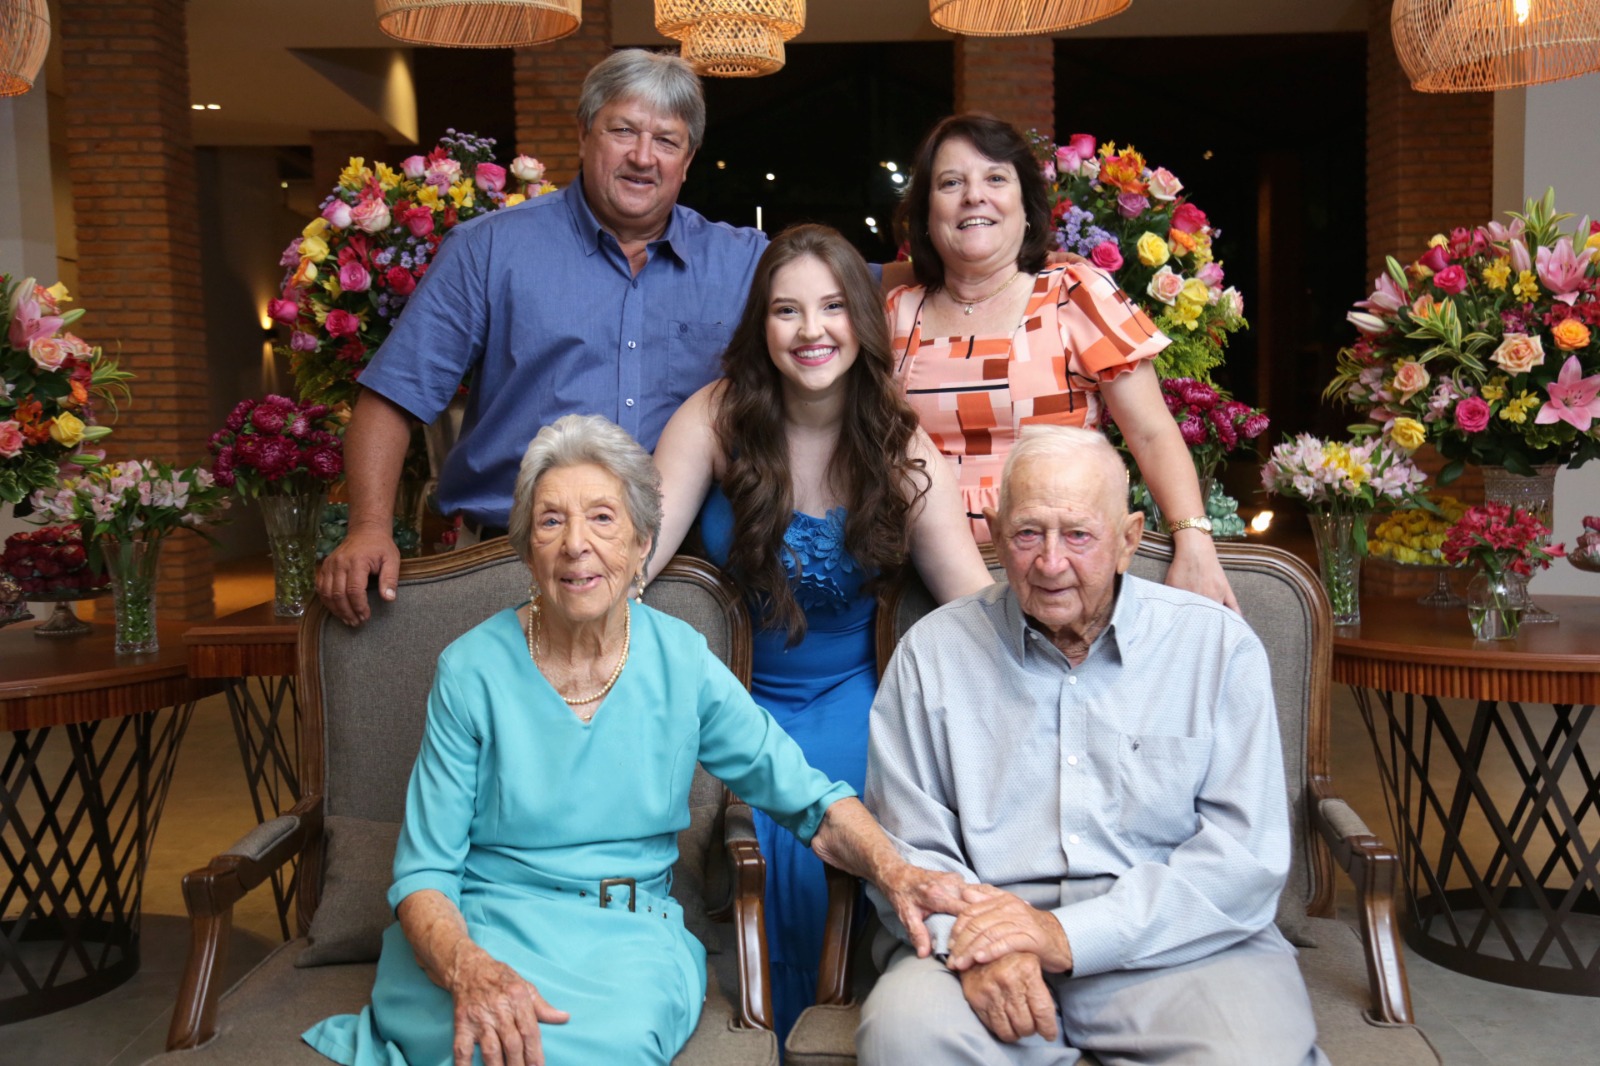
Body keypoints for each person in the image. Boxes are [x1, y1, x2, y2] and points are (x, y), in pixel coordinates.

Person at [302, 414, 965, 1066]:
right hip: (482, 928)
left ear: (643, 542)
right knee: (475, 1039)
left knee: (583, 1047)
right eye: (551, 520)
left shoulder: (683, 661)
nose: (575, 545)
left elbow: (809, 803)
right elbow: (424, 873)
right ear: (527, 547)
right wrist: (468, 968)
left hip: (623, 936)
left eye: (602, 517)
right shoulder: (470, 669)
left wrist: (895, 870)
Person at [316, 50, 920, 628]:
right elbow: (394, 397)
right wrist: (369, 526)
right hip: (511, 562)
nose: (642, 157)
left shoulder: (742, 264)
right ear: (584, 133)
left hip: (682, 574)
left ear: (688, 159)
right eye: (622, 130)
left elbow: (864, 286)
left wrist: (988, 256)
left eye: (666, 141)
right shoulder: (490, 250)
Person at [857, 424, 1326, 1065]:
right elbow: (910, 846)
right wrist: (982, 947)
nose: (1051, 563)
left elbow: (1242, 859)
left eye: (1078, 535)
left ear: (1129, 539)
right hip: (983, 950)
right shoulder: (932, 654)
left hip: (1175, 950)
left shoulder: (1216, 649)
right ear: (994, 535)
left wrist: (1064, 934)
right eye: (1028, 534)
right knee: (906, 1035)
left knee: (1249, 1053)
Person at [650, 223, 993, 1041]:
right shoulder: (716, 415)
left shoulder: (899, 442)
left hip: (851, 694)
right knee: (730, 840)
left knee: (827, 834)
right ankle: (758, 1036)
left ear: (862, 325)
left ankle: (827, 1036)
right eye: (787, 311)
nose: (811, 332)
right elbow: (639, 550)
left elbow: (972, 603)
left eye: (834, 307)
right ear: (761, 327)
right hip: (728, 695)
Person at [888, 114, 1237, 610]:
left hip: (1063, 571)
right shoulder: (896, 313)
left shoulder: (1075, 294)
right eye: (950, 183)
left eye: (995, 178)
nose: (973, 196)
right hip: (922, 580)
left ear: (1027, 207)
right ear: (926, 213)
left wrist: (1194, 538)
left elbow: (1153, 433)